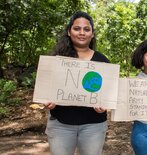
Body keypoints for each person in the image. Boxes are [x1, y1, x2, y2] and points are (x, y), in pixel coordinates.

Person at [44, 11, 109, 155]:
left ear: (92, 34)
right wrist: (47, 100)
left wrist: (105, 107)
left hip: (94, 125)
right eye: (77, 28)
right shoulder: (56, 59)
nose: (82, 33)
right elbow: (46, 88)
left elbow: (108, 95)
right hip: (60, 124)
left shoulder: (103, 61)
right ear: (69, 31)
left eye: (86, 29)